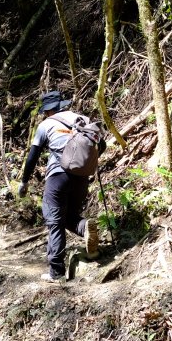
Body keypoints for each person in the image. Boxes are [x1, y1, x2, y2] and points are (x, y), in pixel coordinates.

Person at [19, 91, 106, 283]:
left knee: (54, 219)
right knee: (69, 217)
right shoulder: (82, 119)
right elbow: (102, 146)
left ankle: (56, 273)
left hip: (58, 176)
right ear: (62, 105)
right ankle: (85, 228)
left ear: (48, 110)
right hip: (82, 177)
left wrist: (24, 182)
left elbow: (33, 156)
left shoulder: (46, 125)